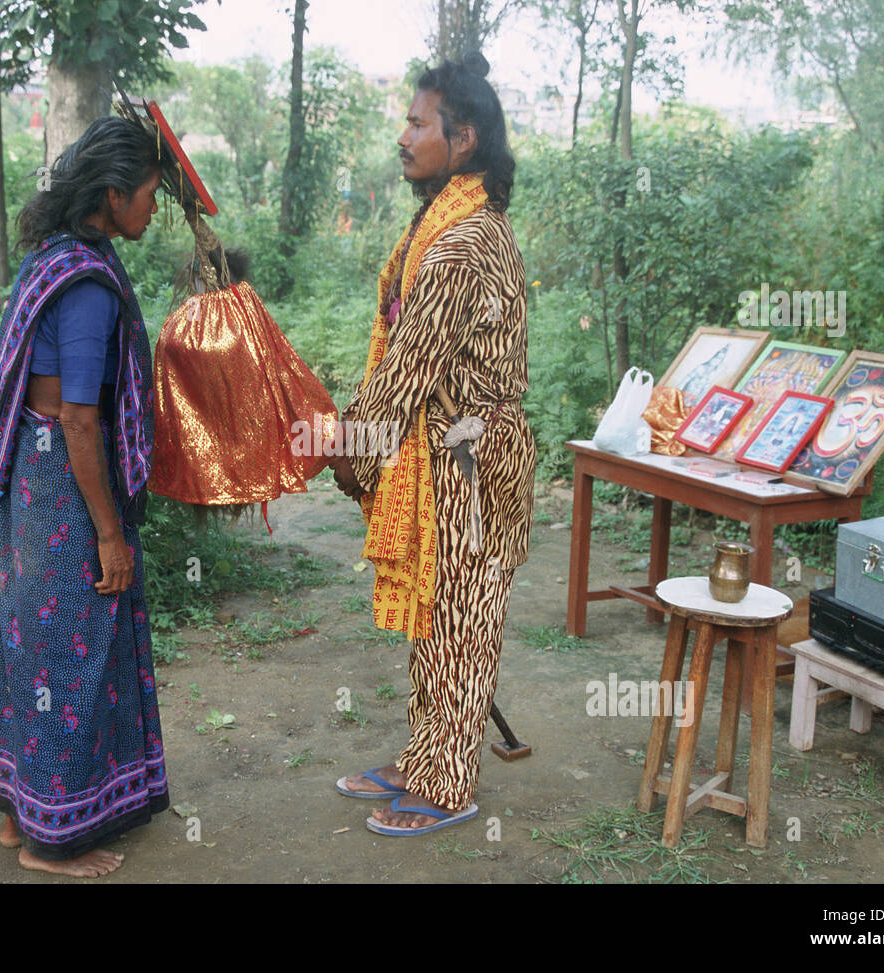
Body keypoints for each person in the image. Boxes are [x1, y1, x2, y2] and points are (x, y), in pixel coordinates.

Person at [330, 52, 537, 835]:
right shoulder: (438, 223)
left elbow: (404, 377)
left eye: (419, 123)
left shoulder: (460, 243)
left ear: (464, 139)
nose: (404, 135)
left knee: (462, 620)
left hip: (470, 457)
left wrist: (343, 447)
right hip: (442, 448)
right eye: (409, 120)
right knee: (435, 614)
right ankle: (424, 757)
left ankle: (449, 784)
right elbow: (400, 366)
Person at [0, 116, 169, 876]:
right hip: (65, 487)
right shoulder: (87, 286)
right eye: (147, 195)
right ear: (112, 195)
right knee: (68, 656)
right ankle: (50, 840)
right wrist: (110, 531)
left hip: (32, 473)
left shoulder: (53, 257)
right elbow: (83, 418)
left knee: (28, 646)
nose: (152, 207)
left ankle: (22, 811)